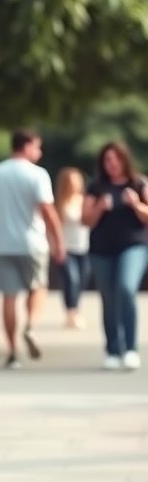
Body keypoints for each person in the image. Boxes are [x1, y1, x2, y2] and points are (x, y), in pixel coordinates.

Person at [0, 129, 66, 369]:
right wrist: (59, 242)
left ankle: (12, 352)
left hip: (3, 243)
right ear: (26, 146)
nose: (39, 152)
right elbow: (47, 211)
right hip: (32, 242)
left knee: (9, 296)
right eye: (37, 147)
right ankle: (31, 325)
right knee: (39, 286)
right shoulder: (38, 174)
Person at [82, 141, 148, 370]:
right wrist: (100, 207)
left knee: (126, 288)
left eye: (116, 159)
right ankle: (113, 349)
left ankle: (130, 349)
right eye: (107, 160)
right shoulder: (96, 186)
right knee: (108, 298)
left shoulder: (139, 183)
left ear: (124, 160)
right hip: (101, 249)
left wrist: (137, 204)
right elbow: (85, 220)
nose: (112, 164)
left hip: (133, 247)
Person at [54, 167, 90, 329]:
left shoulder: (84, 200)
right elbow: (54, 227)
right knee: (71, 280)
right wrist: (55, 247)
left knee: (81, 281)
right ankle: (71, 312)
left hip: (84, 247)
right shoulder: (60, 203)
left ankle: (74, 310)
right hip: (65, 248)